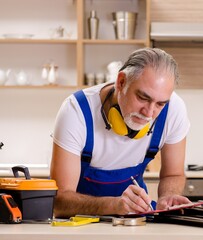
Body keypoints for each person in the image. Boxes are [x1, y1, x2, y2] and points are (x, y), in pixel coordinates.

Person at [50, 47, 191, 218]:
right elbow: (59, 201)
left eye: (160, 104)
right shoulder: (76, 111)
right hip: (81, 223)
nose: (149, 113)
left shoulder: (174, 109)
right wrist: (114, 205)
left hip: (134, 220)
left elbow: (173, 174)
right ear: (121, 82)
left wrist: (168, 196)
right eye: (143, 98)